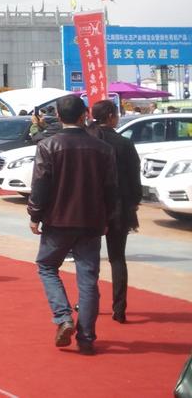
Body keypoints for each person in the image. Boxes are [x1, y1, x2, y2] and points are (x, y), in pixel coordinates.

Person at [28, 94, 117, 355]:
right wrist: (108, 218)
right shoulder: (103, 149)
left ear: (58, 116)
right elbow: (111, 189)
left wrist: (34, 215)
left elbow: (40, 184)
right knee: (88, 279)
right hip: (91, 220)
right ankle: (86, 337)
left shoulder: (48, 145)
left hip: (58, 220)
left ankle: (63, 316)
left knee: (47, 266)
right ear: (84, 115)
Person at [88, 99, 141, 323]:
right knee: (117, 258)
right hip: (119, 207)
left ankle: (88, 301)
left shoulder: (87, 140)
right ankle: (119, 309)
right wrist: (134, 201)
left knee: (88, 259)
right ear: (111, 116)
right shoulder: (123, 143)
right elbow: (134, 177)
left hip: (89, 208)